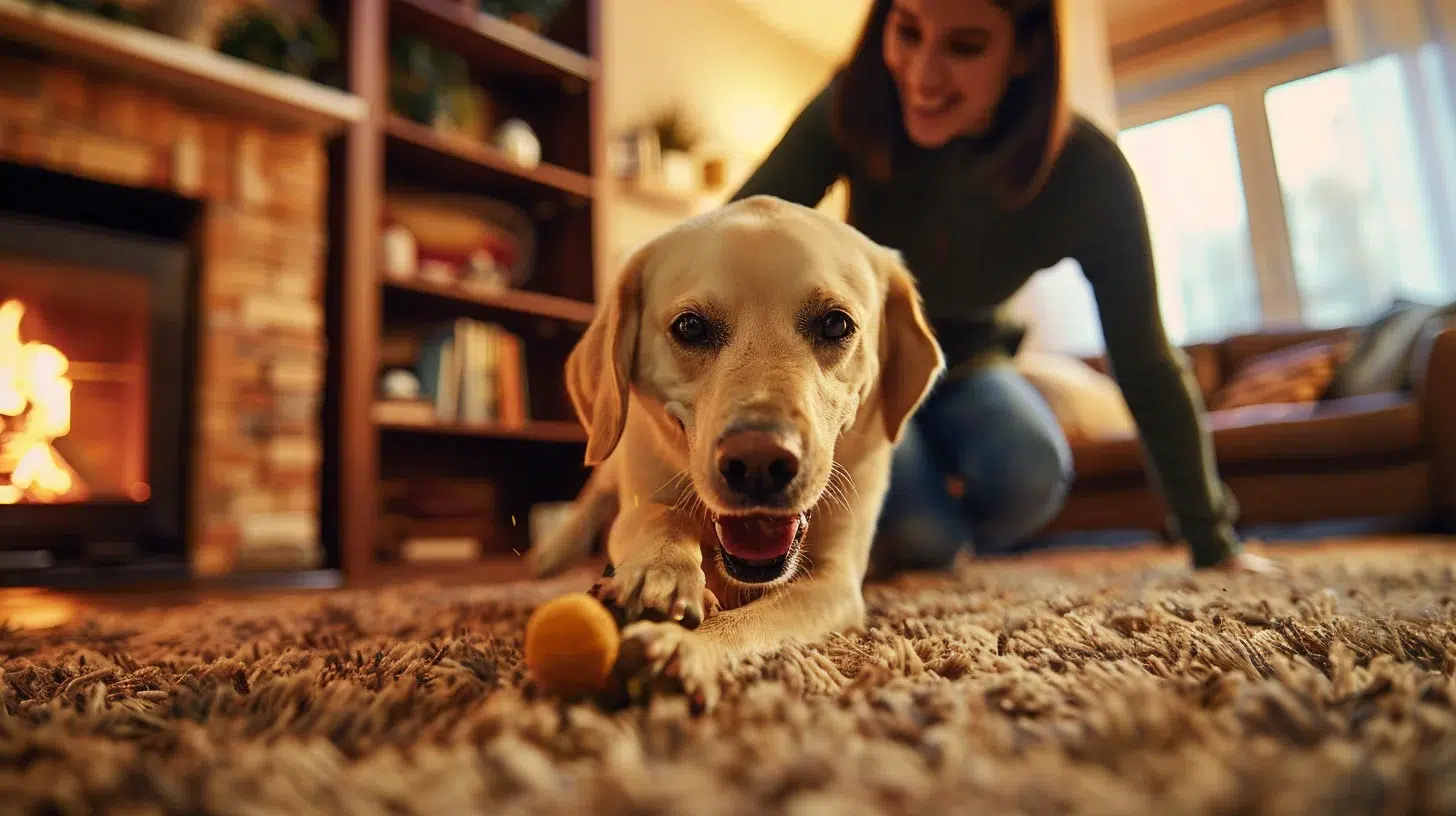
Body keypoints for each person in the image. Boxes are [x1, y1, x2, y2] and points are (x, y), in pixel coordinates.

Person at [729, 0, 1277, 574]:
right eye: (908, 31)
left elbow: (1146, 362)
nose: (920, 76)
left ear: (1027, 50)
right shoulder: (854, 103)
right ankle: (918, 532)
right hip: (872, 370)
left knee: (1032, 472)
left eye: (964, 46)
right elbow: (732, 235)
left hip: (974, 363)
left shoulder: (1089, 175)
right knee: (922, 540)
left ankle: (928, 528)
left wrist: (1214, 542)